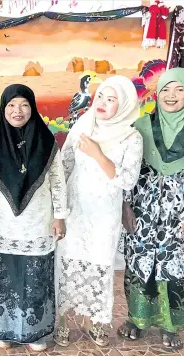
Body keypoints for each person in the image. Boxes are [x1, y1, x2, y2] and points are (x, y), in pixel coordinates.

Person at [55, 76, 143, 347]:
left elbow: (127, 180)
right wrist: (58, 209)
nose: (103, 102)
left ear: (124, 104)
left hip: (105, 212)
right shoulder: (83, 125)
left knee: (101, 263)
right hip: (75, 207)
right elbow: (65, 165)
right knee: (65, 262)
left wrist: (97, 154)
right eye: (101, 95)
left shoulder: (132, 136)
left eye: (111, 98)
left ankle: (99, 323)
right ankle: (61, 322)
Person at [0, 84, 68, 352]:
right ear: (3, 109)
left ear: (33, 107)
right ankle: (3, 329)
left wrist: (60, 216)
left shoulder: (46, 140)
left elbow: (57, 180)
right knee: (4, 276)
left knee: (34, 276)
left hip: (38, 221)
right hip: (2, 224)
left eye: (24, 105)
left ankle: (34, 331)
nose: (18, 111)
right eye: (11, 106)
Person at [118, 68, 184, 351]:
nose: (171, 96)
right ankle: (137, 319)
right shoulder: (141, 126)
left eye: (179, 90)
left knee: (173, 267)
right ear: (157, 94)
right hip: (142, 211)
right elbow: (125, 170)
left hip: (177, 216)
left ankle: (171, 325)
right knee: (139, 263)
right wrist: (123, 206)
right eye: (166, 89)